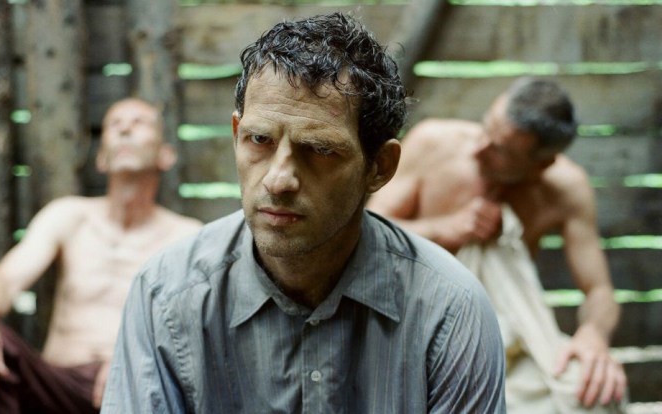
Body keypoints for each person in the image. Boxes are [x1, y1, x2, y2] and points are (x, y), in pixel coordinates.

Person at [101, 12, 506, 413]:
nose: (278, 180)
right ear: (237, 134)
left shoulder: (448, 311)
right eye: (259, 139)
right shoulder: (166, 295)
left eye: (320, 150)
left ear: (379, 168)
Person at [367, 77, 627, 412]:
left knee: (596, 394)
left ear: (540, 165)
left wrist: (594, 335)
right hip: (413, 325)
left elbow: (599, 291)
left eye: (500, 149)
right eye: (486, 127)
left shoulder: (565, 189)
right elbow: (369, 230)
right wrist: (445, 229)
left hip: (506, 340)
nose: (479, 147)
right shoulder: (434, 144)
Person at [0, 97, 203, 413]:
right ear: (101, 159)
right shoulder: (69, 216)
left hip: (140, 387)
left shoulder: (187, 236)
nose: (125, 130)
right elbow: (5, 280)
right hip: (57, 388)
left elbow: (198, 331)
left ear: (165, 155)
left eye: (139, 123)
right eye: (115, 125)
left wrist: (134, 358)